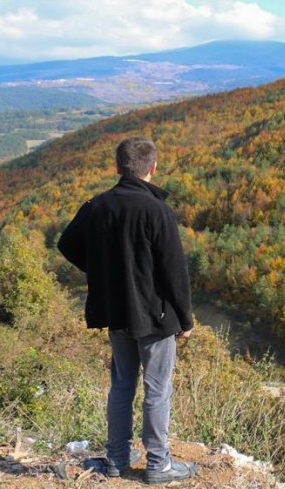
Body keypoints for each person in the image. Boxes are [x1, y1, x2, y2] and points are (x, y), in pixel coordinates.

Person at [57, 136, 198, 484]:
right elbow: (174, 272)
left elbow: (67, 243)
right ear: (153, 168)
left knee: (121, 385)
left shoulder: (98, 206)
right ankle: (158, 465)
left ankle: (117, 460)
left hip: (116, 311)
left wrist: (103, 272)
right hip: (155, 316)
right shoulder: (157, 211)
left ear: (118, 168)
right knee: (157, 388)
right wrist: (186, 318)